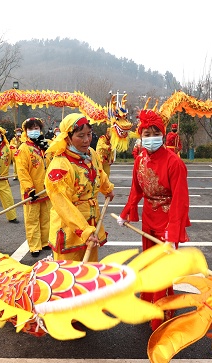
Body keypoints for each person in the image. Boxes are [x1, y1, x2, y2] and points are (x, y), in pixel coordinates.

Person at [118, 109, 190, 330]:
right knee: (149, 263)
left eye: (154, 133)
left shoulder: (174, 163)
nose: (150, 138)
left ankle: (158, 313)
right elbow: (136, 190)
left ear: (163, 134)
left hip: (168, 220)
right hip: (149, 218)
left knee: (162, 268)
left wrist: (173, 232)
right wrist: (126, 212)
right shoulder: (140, 160)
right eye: (146, 134)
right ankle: (151, 303)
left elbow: (180, 200)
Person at [44, 113, 115, 262]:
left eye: (89, 134)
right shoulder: (60, 165)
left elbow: (99, 173)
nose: (86, 140)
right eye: (80, 136)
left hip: (91, 225)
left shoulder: (91, 154)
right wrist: (85, 231)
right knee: (69, 277)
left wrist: (107, 188)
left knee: (89, 273)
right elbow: (63, 205)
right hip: (69, 232)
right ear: (67, 137)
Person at [14, 117, 51, 258]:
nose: (34, 131)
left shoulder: (45, 146)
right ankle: (35, 246)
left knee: (46, 218)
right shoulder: (23, 149)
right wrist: (29, 188)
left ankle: (44, 242)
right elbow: (22, 171)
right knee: (32, 219)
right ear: (26, 131)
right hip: (33, 191)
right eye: (31, 129)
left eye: (36, 128)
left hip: (46, 189)